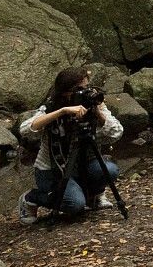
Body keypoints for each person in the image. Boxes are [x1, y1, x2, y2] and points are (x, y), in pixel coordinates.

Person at [15, 67, 124, 222]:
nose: (84, 92)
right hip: (52, 171)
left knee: (110, 170)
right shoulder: (53, 106)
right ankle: (31, 198)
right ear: (65, 92)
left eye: (86, 88)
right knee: (75, 205)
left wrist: (97, 113)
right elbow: (25, 129)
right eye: (79, 89)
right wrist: (63, 112)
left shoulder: (93, 105)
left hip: (84, 166)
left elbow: (116, 132)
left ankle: (94, 196)